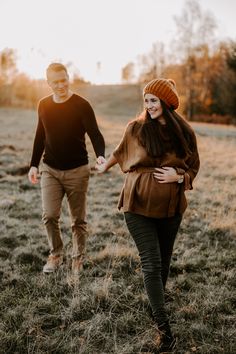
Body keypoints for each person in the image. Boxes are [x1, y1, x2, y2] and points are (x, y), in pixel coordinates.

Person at [96, 78, 200, 352]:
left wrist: (179, 177)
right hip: (138, 204)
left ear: (167, 103)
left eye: (154, 100)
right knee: (151, 263)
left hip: (170, 208)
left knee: (164, 262)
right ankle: (164, 328)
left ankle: (156, 306)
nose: (149, 105)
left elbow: (193, 168)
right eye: (146, 100)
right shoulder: (136, 128)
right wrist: (103, 165)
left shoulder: (185, 133)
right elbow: (119, 153)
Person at [28, 62, 105, 274]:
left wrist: (100, 156)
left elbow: (95, 134)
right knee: (50, 215)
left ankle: (77, 258)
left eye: (64, 80)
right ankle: (56, 254)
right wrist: (34, 164)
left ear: (68, 77)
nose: (61, 85)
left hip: (77, 171)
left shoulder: (82, 105)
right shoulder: (43, 104)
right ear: (48, 83)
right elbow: (40, 136)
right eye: (55, 82)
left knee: (78, 220)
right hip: (50, 169)